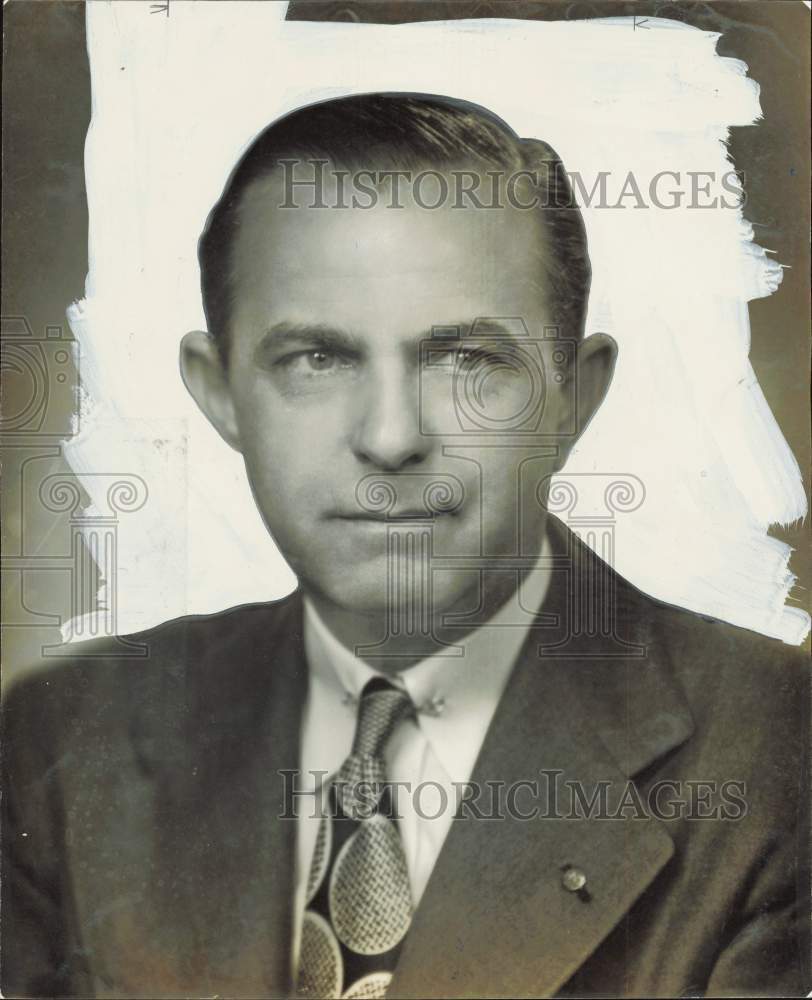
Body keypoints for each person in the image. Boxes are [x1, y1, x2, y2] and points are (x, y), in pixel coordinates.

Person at [2, 93, 808, 999]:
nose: (390, 438)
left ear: (572, 399)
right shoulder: (57, 745)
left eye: (466, 361)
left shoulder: (784, 753)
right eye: (316, 359)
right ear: (219, 392)